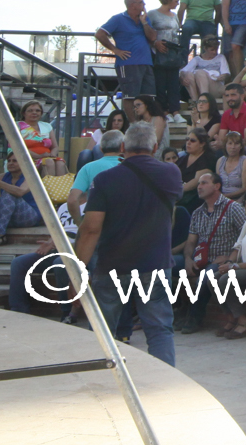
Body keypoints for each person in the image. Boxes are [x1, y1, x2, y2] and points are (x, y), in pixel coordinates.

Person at [74, 122, 181, 367]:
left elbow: (91, 229)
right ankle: (165, 382)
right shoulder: (171, 173)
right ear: (155, 146)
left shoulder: (104, 180)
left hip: (113, 264)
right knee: (160, 331)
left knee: (102, 332)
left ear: (123, 147)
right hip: (154, 263)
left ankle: (100, 381)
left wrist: (77, 271)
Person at [177, 170, 246, 334]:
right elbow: (191, 241)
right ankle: (179, 310)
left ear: (216, 186)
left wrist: (230, 257)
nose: (199, 187)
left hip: (222, 260)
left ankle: (194, 317)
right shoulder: (197, 212)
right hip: (199, 258)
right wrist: (188, 259)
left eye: (204, 183)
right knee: (167, 266)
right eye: (198, 183)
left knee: (205, 278)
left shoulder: (233, 208)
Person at [96, 0, 159, 101]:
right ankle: (130, 114)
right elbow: (99, 34)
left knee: (148, 99)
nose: (144, 4)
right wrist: (115, 50)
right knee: (130, 97)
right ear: (132, 5)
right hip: (128, 63)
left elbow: (153, 37)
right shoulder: (118, 19)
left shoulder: (144, 19)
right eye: (141, 2)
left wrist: (144, 23)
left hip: (146, 62)